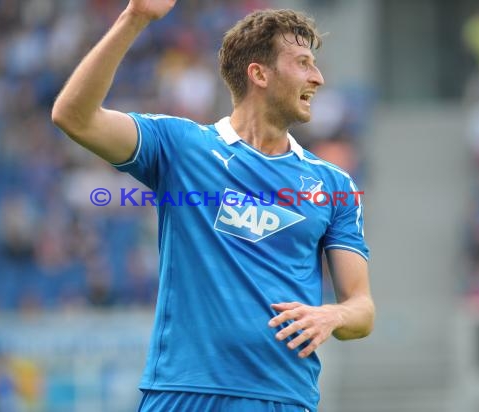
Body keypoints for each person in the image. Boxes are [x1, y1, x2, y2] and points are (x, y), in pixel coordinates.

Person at [52, 1, 375, 411]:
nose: (319, 77)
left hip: (280, 397)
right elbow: (74, 117)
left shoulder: (334, 185)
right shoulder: (181, 147)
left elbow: (361, 308)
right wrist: (134, 18)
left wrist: (333, 316)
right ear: (258, 73)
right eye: (303, 63)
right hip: (181, 392)